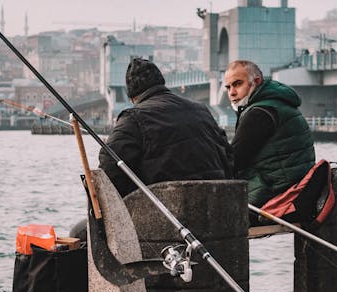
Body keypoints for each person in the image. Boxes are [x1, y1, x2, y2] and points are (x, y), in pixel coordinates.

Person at [98, 57, 233, 198]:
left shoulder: (132, 118)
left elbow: (109, 171)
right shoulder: (201, 110)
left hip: (165, 209)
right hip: (215, 202)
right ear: (162, 83)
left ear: (132, 98)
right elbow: (227, 154)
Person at [223, 59, 315, 211]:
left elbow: (234, 161)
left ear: (256, 82)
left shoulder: (259, 113)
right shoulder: (278, 104)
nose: (232, 92)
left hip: (275, 194)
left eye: (238, 84)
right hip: (295, 188)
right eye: (228, 87)